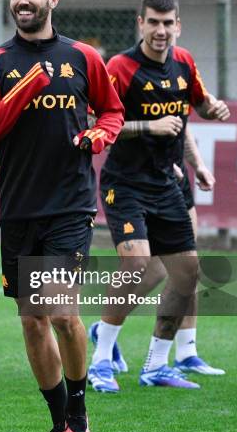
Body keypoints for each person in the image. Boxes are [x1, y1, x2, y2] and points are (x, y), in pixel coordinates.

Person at [0, 0, 124, 432]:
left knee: (60, 311)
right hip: (18, 207)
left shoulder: (82, 57)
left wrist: (103, 133)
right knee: (32, 320)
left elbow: (112, 109)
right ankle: (61, 424)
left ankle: (79, 420)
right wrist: (25, 88)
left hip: (70, 205)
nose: (22, 1)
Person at [86, 0, 229, 393]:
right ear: (141, 24)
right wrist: (148, 126)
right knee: (137, 266)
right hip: (125, 184)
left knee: (187, 273)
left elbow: (197, 106)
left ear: (178, 25)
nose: (161, 30)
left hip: (168, 182)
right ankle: (100, 362)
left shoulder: (184, 63)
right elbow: (98, 121)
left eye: (168, 23)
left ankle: (156, 364)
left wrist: (213, 110)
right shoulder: (120, 67)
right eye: (153, 22)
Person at [88, 126, 225, 390]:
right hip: (137, 178)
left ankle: (184, 351)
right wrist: (148, 126)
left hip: (173, 176)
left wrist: (198, 165)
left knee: (187, 266)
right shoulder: (126, 85)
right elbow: (105, 122)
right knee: (149, 267)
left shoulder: (185, 84)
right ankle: (103, 337)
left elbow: (181, 125)